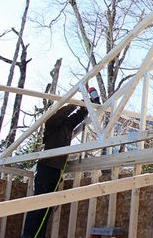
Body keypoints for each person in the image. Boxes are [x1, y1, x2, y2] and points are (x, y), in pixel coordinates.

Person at [22, 87, 100, 238]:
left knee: (47, 208)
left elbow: (79, 115)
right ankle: (29, 236)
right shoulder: (50, 125)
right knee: (39, 206)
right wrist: (73, 103)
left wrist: (89, 103)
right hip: (46, 168)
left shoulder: (66, 127)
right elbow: (59, 115)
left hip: (56, 170)